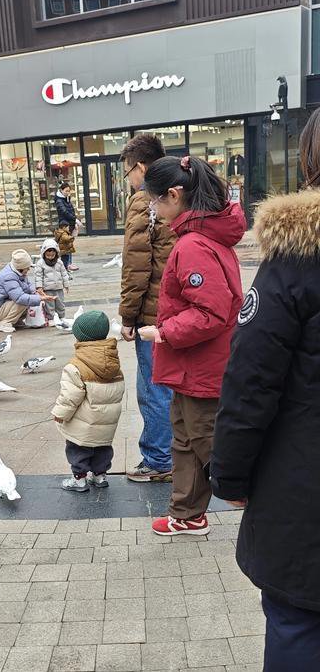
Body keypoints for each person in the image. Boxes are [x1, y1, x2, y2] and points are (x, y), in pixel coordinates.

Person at [210, 109, 320, 670]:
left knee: (299, 624)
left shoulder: (296, 260)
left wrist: (230, 476)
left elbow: (251, 381)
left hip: (305, 492)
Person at [138, 155, 245, 536]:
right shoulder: (200, 237)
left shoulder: (193, 245)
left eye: (154, 200)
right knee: (185, 440)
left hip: (201, 366)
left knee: (207, 442)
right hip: (192, 366)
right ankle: (187, 514)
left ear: (174, 195)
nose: (152, 209)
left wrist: (164, 332)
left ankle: (257, 500)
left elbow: (211, 312)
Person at [118, 134, 176, 483]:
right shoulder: (178, 194)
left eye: (128, 173)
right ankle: (177, 452)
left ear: (140, 166)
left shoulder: (145, 200)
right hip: (178, 310)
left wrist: (128, 316)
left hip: (153, 314)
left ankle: (159, 459)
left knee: (154, 388)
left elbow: (136, 265)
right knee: (170, 386)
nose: (129, 181)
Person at [51, 311, 124, 493]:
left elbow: (70, 396)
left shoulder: (76, 365)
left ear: (80, 337)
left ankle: (79, 480)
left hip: (83, 421)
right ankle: (100, 476)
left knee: (78, 448)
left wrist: (60, 414)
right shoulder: (113, 362)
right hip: (106, 419)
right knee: (102, 447)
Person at [0, 248, 55, 333]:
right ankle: (5, 323)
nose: (29, 269)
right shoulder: (9, 276)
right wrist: (40, 298)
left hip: (5, 304)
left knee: (30, 299)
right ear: (21, 268)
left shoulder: (18, 271)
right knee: (24, 301)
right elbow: (19, 298)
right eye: (27, 268)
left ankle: (16, 321)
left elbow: (27, 285)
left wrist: (36, 292)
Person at [34, 237, 69, 321]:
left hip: (59, 288)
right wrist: (39, 287)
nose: (50, 257)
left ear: (56, 253)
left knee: (60, 303)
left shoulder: (59, 262)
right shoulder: (40, 263)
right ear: (44, 253)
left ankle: (61, 317)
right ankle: (51, 318)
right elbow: (38, 276)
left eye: (52, 255)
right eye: (48, 255)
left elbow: (64, 274)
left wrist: (66, 285)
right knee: (49, 305)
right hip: (47, 289)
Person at [54, 182, 81, 271]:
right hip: (64, 224)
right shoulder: (59, 200)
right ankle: (66, 265)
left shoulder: (66, 199)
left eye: (69, 191)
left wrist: (74, 221)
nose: (67, 193)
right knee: (65, 245)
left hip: (69, 223)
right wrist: (74, 219)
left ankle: (69, 263)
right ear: (61, 190)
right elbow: (64, 212)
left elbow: (70, 210)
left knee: (69, 244)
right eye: (66, 191)